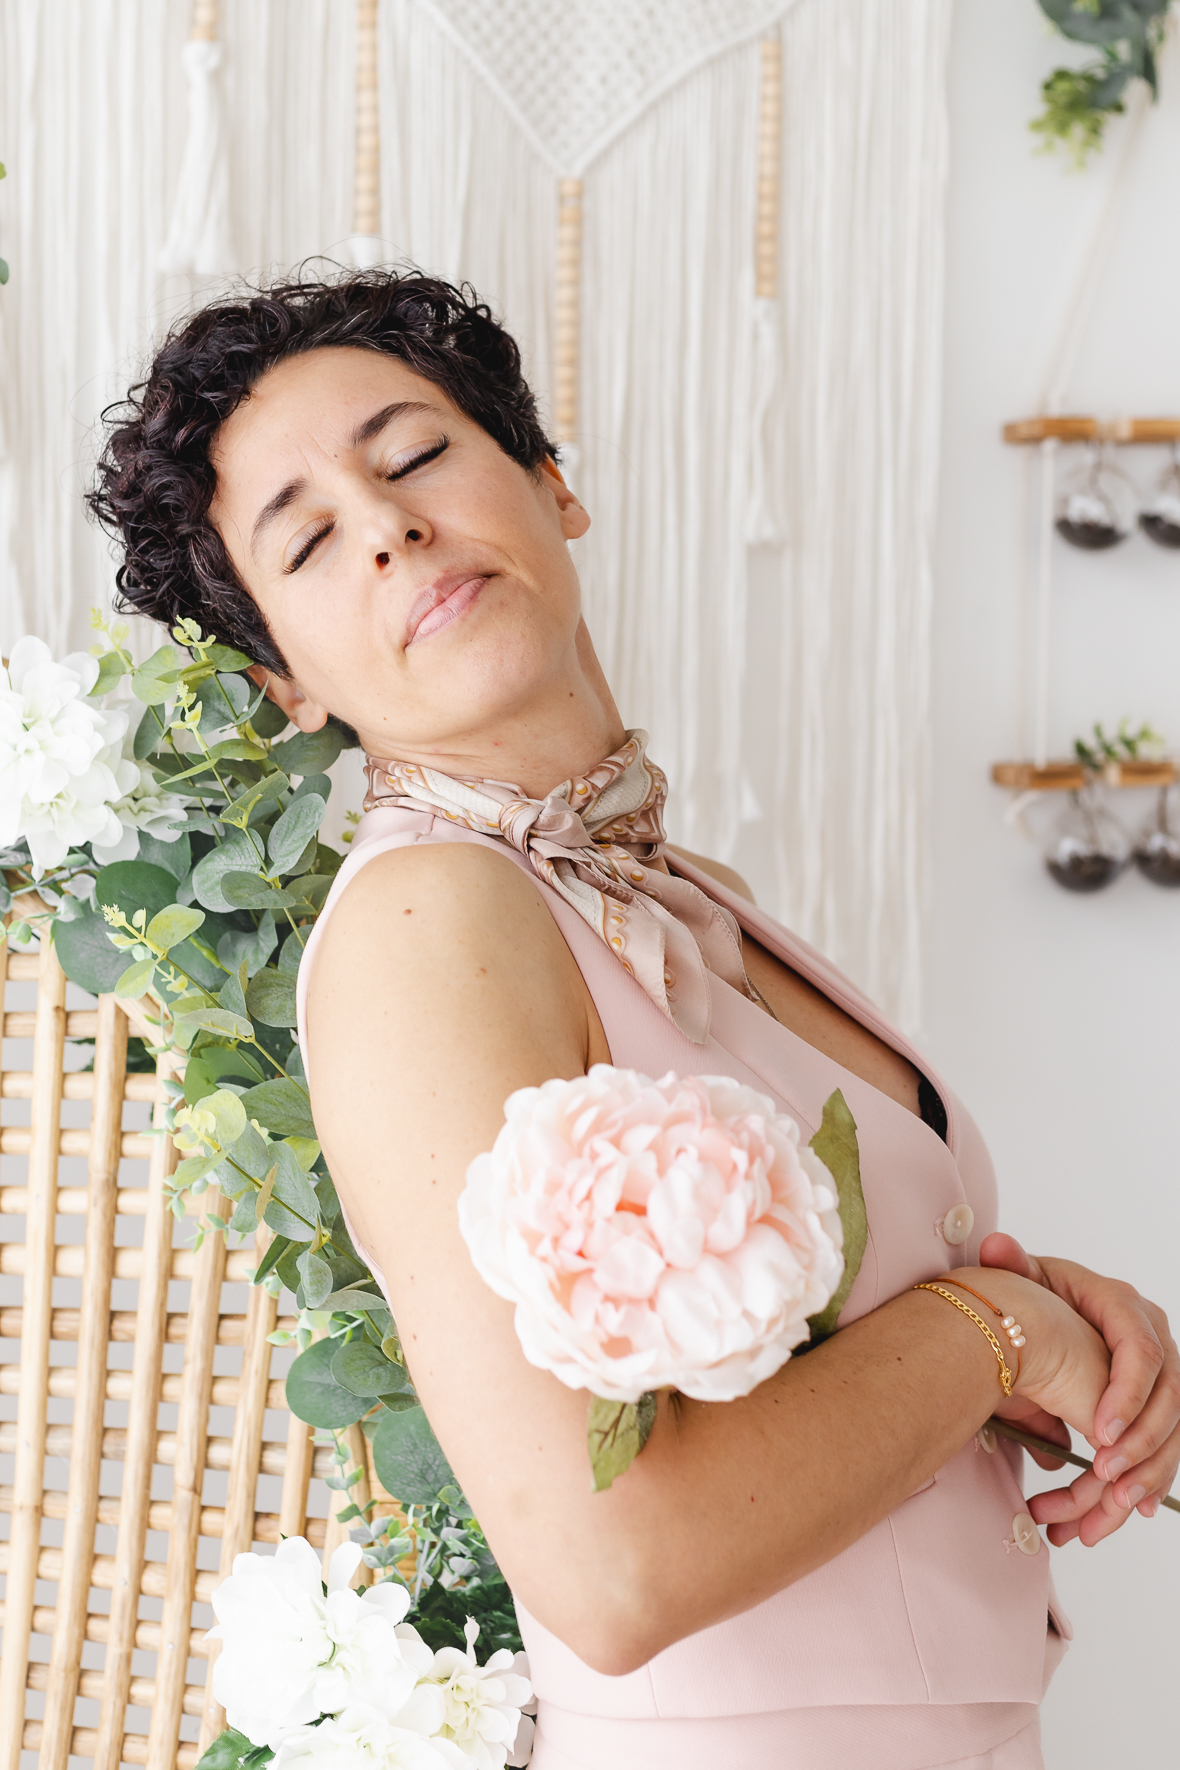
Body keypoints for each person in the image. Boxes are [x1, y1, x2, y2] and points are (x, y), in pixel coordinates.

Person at [91, 271, 1180, 1770]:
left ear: (551, 484)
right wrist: (996, 1339)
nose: (390, 527)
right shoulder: (428, 925)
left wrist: (1058, 1321)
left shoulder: (679, 894)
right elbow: (609, 1567)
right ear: (287, 681)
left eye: (414, 456)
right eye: (310, 539)